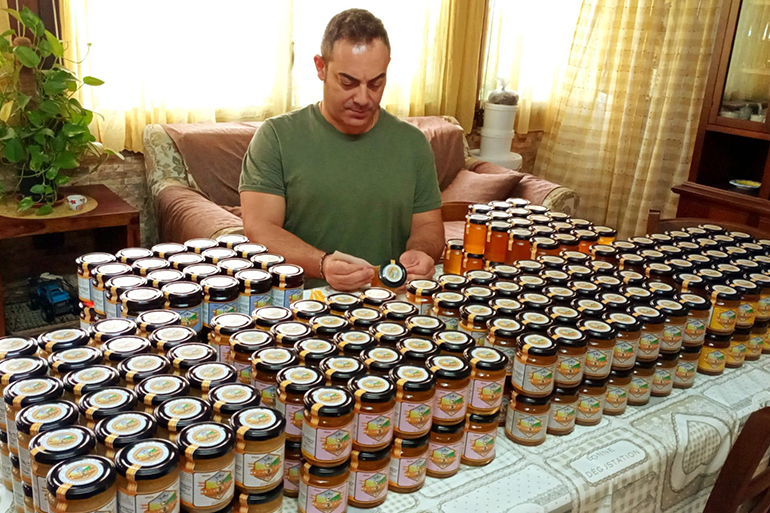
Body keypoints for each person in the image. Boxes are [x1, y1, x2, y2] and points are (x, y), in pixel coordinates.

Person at [239, 8, 444, 292]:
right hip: (303, 302)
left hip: (388, 302)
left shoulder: (413, 143)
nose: (363, 98)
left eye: (376, 83)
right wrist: (322, 264)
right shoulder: (276, 137)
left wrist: (422, 252)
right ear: (320, 67)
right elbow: (260, 229)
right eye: (348, 82)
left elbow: (428, 226)